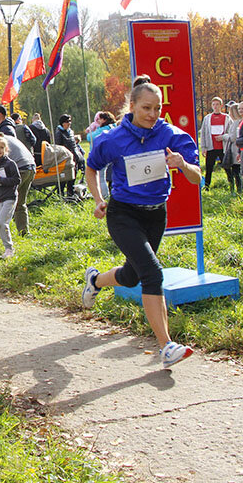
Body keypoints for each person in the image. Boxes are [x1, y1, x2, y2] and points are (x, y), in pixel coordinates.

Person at [81, 81, 202, 369]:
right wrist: (99, 199)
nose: (152, 114)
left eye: (157, 108)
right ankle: (166, 346)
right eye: (146, 108)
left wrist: (182, 165)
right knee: (152, 273)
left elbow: (198, 177)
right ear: (132, 106)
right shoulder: (113, 139)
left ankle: (95, 280)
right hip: (123, 214)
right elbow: (91, 166)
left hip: (155, 214)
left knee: (133, 275)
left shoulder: (171, 135)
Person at [0, 135, 21, 258]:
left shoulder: (10, 164)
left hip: (10, 196)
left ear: (6, 149)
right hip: (0, 196)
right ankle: (7, 249)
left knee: (1, 222)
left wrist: (1, 179)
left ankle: (9, 249)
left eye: (2, 147)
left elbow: (17, 180)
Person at [199, 97, 235, 189]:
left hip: (223, 147)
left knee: (227, 167)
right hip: (211, 147)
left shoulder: (227, 118)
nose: (215, 106)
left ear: (221, 105)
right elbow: (203, 133)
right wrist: (203, 147)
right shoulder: (207, 118)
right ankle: (207, 186)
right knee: (209, 168)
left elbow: (231, 132)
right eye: (213, 104)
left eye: (217, 104)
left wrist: (223, 137)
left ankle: (232, 185)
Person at [86, 112, 118, 199]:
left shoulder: (102, 129)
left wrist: (91, 131)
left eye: (100, 119)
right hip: (113, 154)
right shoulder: (114, 127)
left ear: (104, 120)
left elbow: (90, 137)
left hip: (102, 155)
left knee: (100, 177)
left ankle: (104, 194)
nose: (98, 121)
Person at [220, 102, 243, 194]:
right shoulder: (237, 122)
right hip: (235, 149)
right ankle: (237, 189)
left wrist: (224, 136)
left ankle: (238, 190)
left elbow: (233, 137)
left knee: (236, 171)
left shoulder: (237, 123)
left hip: (235, 150)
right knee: (236, 171)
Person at [55, 114, 77, 198]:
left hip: (73, 157)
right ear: (62, 123)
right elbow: (59, 147)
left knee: (72, 177)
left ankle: (70, 195)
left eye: (70, 121)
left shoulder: (71, 131)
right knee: (63, 178)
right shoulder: (59, 132)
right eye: (67, 122)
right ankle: (60, 195)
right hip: (64, 158)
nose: (69, 123)